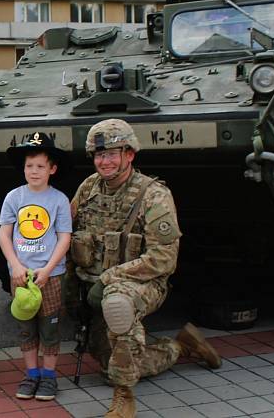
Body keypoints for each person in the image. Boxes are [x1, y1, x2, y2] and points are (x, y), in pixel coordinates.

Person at [67, 119, 221, 418]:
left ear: (130, 154)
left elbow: (164, 258)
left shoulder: (153, 195)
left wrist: (112, 277)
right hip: (93, 284)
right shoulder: (89, 188)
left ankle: (124, 400)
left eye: (113, 153)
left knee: (118, 305)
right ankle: (179, 347)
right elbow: (66, 228)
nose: (105, 161)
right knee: (111, 365)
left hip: (141, 283)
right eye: (100, 155)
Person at [0, 133, 72, 401]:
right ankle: (31, 373)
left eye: (41, 166)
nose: (34, 171)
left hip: (50, 275)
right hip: (21, 275)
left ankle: (49, 376)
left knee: (50, 327)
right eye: (29, 166)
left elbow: (64, 236)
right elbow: (4, 234)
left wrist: (49, 268)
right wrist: (15, 265)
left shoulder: (59, 200)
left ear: (52, 169)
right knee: (26, 326)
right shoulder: (13, 197)